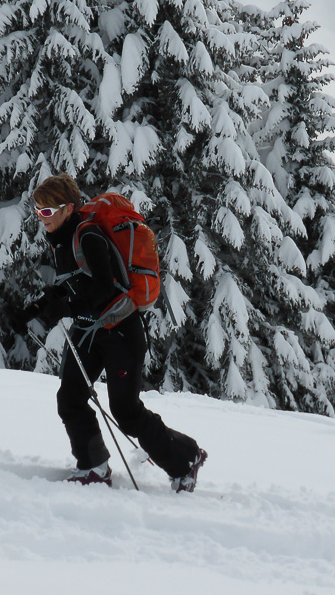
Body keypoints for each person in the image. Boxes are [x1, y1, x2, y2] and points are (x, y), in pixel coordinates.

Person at [29, 174, 207, 492]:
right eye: (37, 210)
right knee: (70, 398)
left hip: (121, 332)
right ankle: (93, 467)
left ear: (67, 209)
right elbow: (71, 286)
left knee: (126, 412)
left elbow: (104, 288)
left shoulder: (88, 235)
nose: (41, 218)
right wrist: (36, 309)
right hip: (89, 330)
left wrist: (67, 308)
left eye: (46, 211)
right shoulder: (60, 239)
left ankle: (186, 459)